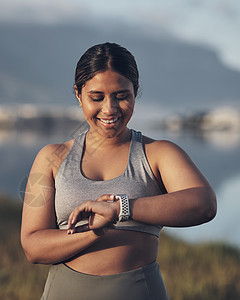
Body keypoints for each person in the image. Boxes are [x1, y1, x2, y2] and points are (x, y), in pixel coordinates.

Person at [20, 42, 217, 300]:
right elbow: (33, 247)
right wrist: (95, 231)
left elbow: (204, 205)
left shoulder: (159, 154)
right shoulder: (50, 158)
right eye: (96, 97)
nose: (110, 109)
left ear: (136, 92)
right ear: (78, 95)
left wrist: (121, 209)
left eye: (122, 96)